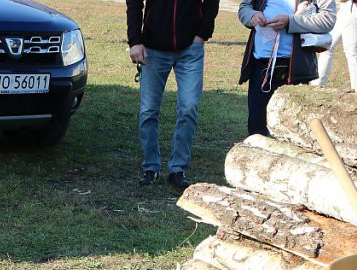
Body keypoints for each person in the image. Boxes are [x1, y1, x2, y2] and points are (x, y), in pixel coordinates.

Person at [126, 0, 220, 189]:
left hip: (190, 49)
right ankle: (150, 167)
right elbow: (134, 2)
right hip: (153, 47)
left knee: (188, 108)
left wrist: (203, 33)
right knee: (148, 110)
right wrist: (135, 40)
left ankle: (178, 169)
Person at [238, 0, 336, 136]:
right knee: (256, 130)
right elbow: (245, 7)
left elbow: (328, 18)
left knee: (293, 130)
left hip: (294, 69)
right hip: (260, 67)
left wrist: (291, 22)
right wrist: (252, 16)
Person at [313, 0, 357, 93]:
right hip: (347, 7)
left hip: (355, 7)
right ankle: (317, 84)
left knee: (353, 52)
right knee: (327, 46)